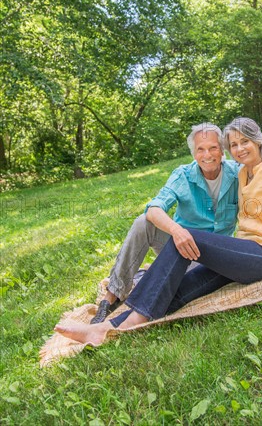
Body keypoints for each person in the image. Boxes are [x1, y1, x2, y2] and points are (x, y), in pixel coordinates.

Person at [55, 117, 262, 345]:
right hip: (241, 253)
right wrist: (181, 233)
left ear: (258, 141)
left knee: (187, 239)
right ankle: (113, 326)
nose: (237, 149)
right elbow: (156, 209)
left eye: (243, 142)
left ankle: (111, 323)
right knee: (177, 292)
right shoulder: (244, 174)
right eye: (233, 144)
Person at [90, 122, 240, 323]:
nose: (207, 155)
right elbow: (154, 209)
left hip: (213, 256)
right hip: (180, 247)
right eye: (200, 149)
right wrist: (176, 230)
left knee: (182, 283)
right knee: (144, 222)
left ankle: (145, 275)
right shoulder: (183, 175)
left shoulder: (238, 173)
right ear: (194, 154)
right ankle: (112, 296)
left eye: (213, 148)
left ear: (222, 150)